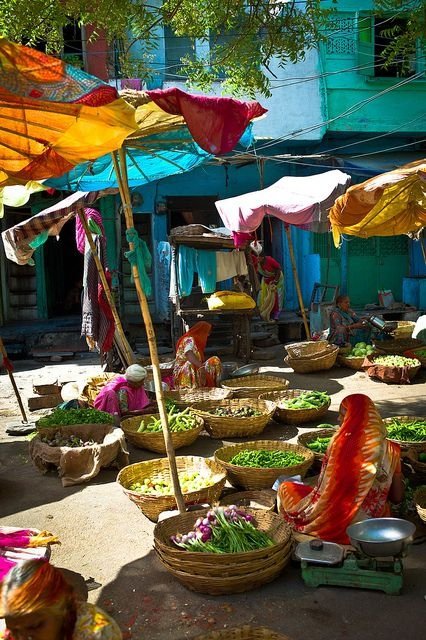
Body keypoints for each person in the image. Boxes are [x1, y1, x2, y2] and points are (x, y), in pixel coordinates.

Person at [277, 394, 404, 544]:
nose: (338, 420)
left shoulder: (338, 444)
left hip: (331, 521)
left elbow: (324, 489)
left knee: (285, 487)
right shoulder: (392, 450)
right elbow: (397, 497)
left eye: (342, 415)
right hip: (371, 523)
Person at [0, 558, 122, 640]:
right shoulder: (18, 627)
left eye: (35, 626)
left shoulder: (97, 634)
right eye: (14, 631)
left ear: (62, 608)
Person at [173, 321, 222, 389]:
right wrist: (201, 367)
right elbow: (188, 353)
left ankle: (215, 388)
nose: (208, 335)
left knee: (215, 360)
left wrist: (201, 367)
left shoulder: (196, 342)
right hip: (182, 374)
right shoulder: (189, 339)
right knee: (190, 363)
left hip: (195, 368)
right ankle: (192, 390)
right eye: (207, 332)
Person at [250, 242, 284, 321]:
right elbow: (257, 274)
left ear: (262, 257)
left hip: (276, 278)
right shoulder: (255, 263)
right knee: (263, 297)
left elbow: (278, 270)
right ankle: (266, 312)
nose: (257, 259)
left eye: (258, 257)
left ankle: (276, 314)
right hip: (266, 279)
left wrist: (275, 281)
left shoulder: (269, 260)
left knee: (276, 297)